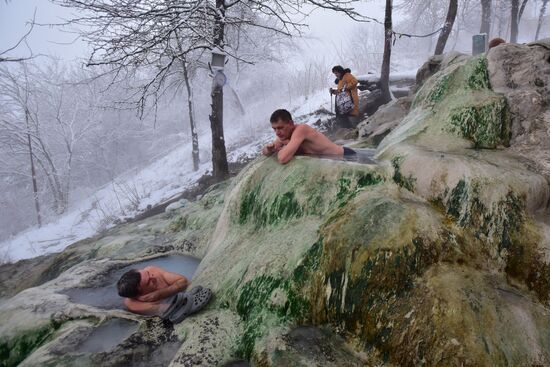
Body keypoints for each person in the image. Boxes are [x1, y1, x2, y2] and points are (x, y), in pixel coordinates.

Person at [262, 109, 355, 164]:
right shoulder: (284, 135)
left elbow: (283, 158)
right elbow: (265, 151)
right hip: (333, 159)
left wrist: (282, 149)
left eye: (280, 128)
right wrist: (269, 149)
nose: (277, 132)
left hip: (345, 156)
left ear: (291, 123)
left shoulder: (301, 129)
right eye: (274, 129)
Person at [117, 266, 190, 316]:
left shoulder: (152, 270)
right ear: (141, 295)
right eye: (149, 282)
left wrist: (160, 294)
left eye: (148, 273)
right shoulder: (133, 305)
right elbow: (170, 310)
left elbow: (184, 282)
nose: (153, 277)